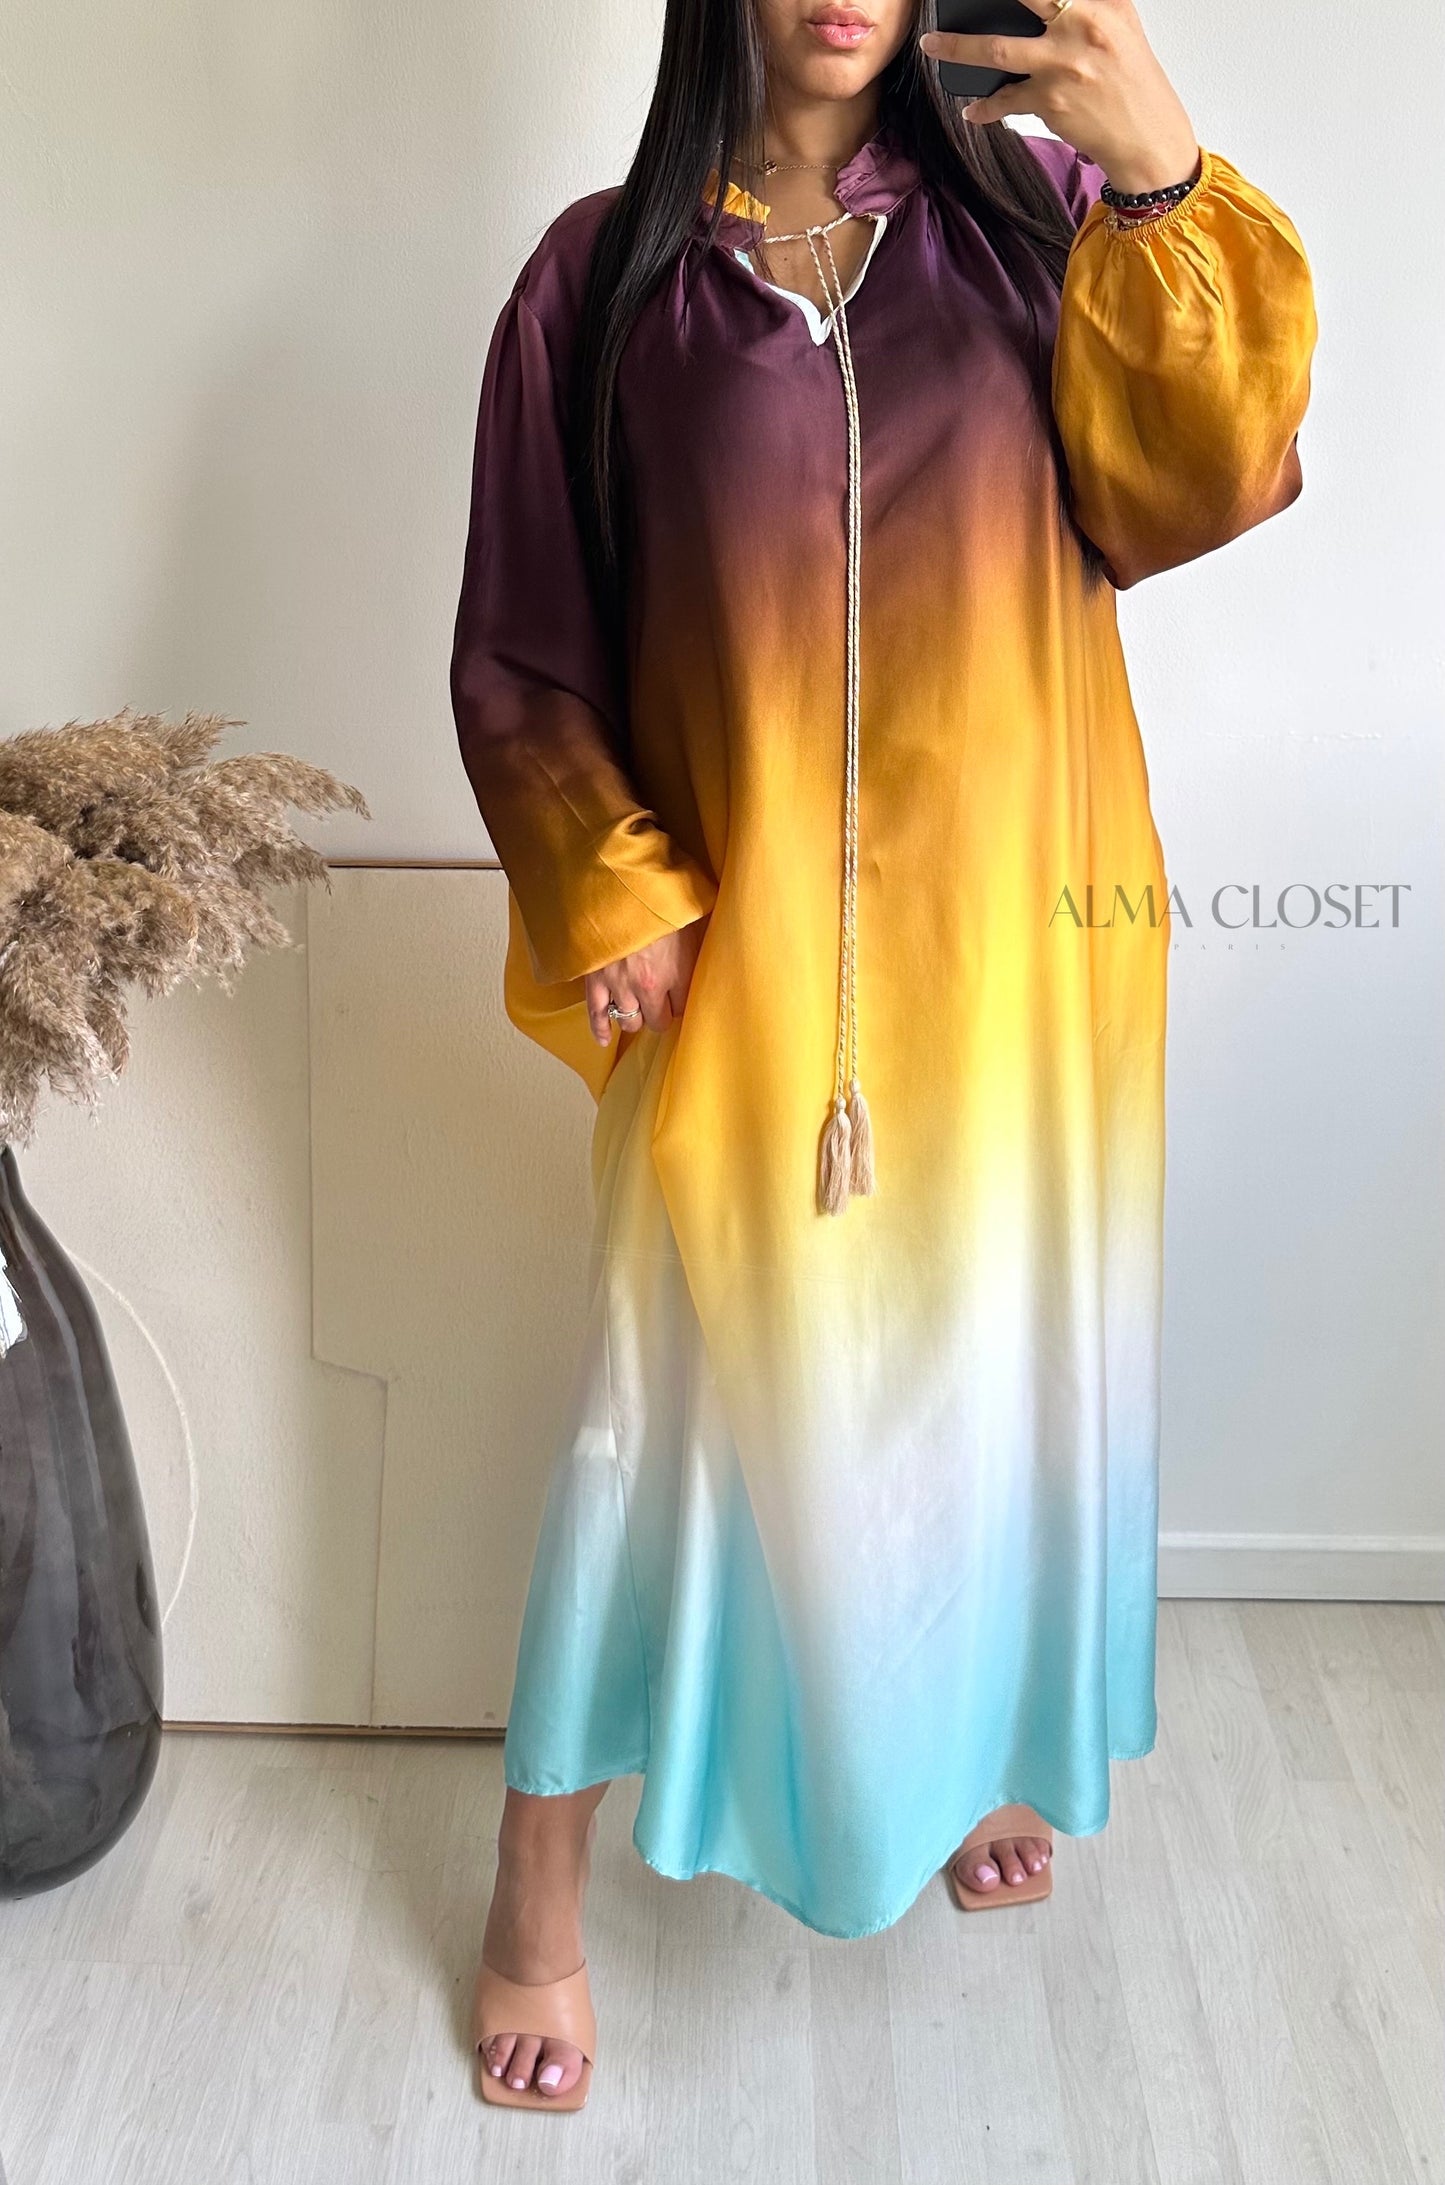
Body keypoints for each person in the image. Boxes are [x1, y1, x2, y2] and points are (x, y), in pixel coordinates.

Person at [449, 0, 1316, 2112]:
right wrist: (612, 884)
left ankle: (979, 1748)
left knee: (993, 1382)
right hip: (747, 985)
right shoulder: (604, 279)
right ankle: (534, 1892)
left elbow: (1209, 481)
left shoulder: (1041, 225)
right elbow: (525, 640)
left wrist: (1162, 171)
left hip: (1020, 963)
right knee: (664, 1418)